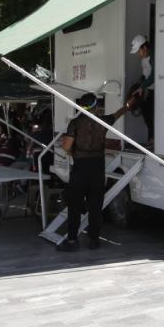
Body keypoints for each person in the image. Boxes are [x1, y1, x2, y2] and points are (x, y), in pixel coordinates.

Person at [55, 92, 133, 252]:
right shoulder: (103, 122)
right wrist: (127, 106)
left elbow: (66, 147)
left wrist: (71, 151)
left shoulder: (75, 124)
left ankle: (72, 240)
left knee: (75, 205)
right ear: (96, 106)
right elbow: (117, 114)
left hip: (80, 167)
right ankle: (94, 240)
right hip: (97, 167)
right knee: (95, 206)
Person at [129, 34, 155, 145]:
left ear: (144, 48)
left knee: (151, 113)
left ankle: (153, 139)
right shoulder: (144, 59)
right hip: (150, 88)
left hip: (158, 89)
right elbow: (145, 75)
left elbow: (154, 76)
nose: (138, 55)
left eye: (139, 52)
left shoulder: (154, 56)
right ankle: (152, 138)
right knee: (146, 112)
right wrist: (140, 84)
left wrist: (142, 86)